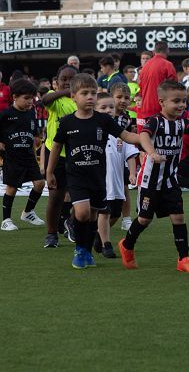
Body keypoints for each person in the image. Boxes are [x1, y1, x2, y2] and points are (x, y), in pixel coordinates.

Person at [45, 73, 147, 270]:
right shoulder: (67, 122)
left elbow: (126, 135)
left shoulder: (102, 120)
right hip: (76, 176)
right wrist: (49, 172)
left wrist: (145, 138)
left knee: (92, 217)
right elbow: (56, 147)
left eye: (93, 92)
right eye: (85, 93)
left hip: (98, 177)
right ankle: (80, 251)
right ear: (73, 96)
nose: (90, 97)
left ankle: (85, 250)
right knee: (82, 214)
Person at [119, 78, 189, 273]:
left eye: (184, 101)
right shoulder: (155, 121)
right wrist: (151, 153)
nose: (181, 105)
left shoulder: (182, 122)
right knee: (144, 219)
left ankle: (183, 258)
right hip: (150, 180)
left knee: (179, 217)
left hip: (170, 181)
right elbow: (143, 136)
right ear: (162, 102)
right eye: (176, 101)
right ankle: (127, 245)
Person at [0, 77, 45, 232]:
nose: (30, 102)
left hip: (28, 156)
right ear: (14, 97)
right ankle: (5, 220)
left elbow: (33, 134)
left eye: (32, 99)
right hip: (12, 156)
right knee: (11, 188)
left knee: (40, 184)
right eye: (26, 98)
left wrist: (36, 140)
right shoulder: (7, 113)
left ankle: (28, 212)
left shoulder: (31, 113)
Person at [96, 91, 138, 258]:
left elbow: (130, 152)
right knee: (104, 212)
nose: (108, 110)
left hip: (116, 180)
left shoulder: (120, 131)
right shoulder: (93, 130)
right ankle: (106, 244)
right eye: (103, 107)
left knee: (115, 213)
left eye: (111, 107)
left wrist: (132, 172)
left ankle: (98, 236)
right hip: (100, 181)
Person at [41, 64, 78, 248]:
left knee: (80, 195)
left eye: (72, 80)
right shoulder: (54, 97)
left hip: (76, 154)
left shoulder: (80, 100)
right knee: (55, 196)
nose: (67, 83)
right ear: (56, 82)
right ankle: (51, 234)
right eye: (63, 79)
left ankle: (70, 222)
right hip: (55, 154)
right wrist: (64, 91)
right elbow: (44, 100)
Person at [136, 41, 177, 130]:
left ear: (154, 51)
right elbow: (175, 89)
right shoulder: (167, 65)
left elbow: (141, 89)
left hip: (146, 109)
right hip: (161, 109)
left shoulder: (145, 67)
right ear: (167, 51)